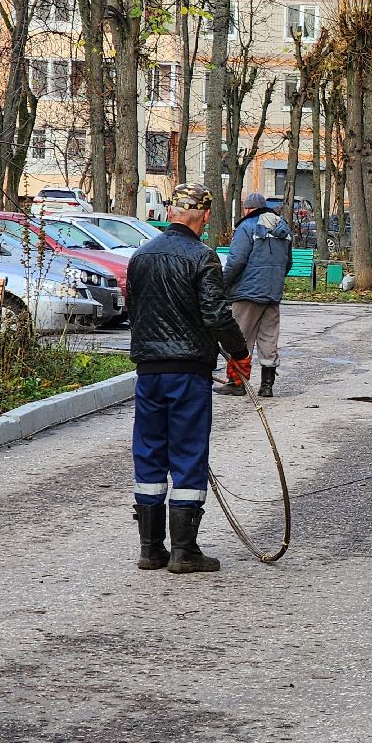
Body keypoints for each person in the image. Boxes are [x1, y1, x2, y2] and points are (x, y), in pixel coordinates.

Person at [128, 183, 249, 574]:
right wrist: (240, 354)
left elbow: (134, 308)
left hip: (148, 373)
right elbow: (216, 315)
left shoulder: (140, 255)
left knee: (149, 454)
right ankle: (184, 551)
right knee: (188, 454)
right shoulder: (203, 257)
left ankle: (150, 549)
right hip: (188, 373)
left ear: (171, 212)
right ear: (206, 215)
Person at [219, 191, 293, 398]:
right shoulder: (283, 229)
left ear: (248, 209)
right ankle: (267, 385)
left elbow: (236, 261)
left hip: (247, 293)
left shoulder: (246, 227)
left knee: (239, 337)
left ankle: (237, 382)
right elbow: (288, 263)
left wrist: (223, 285)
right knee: (269, 337)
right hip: (272, 293)